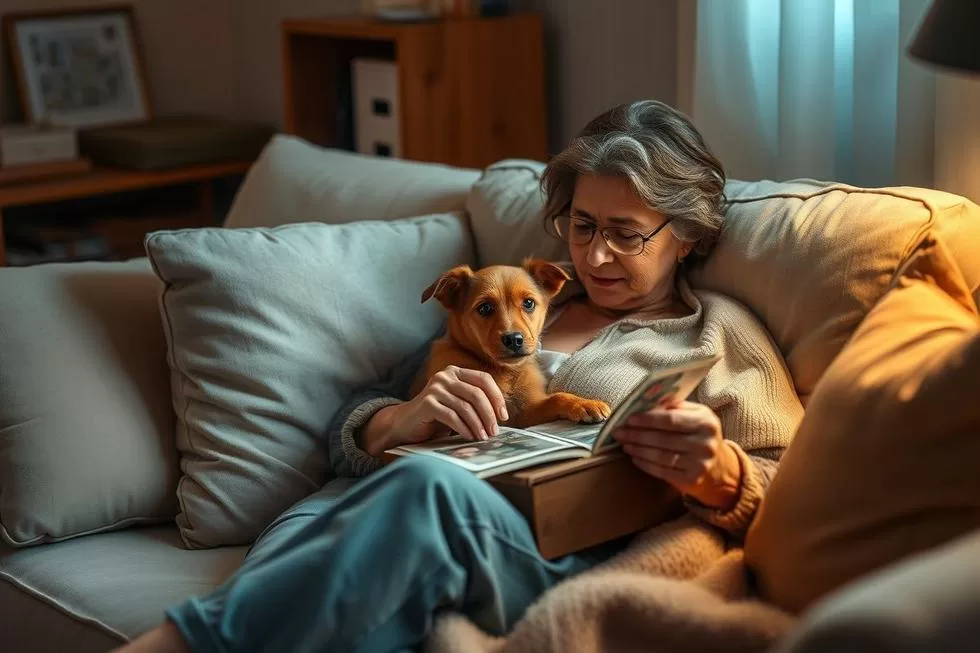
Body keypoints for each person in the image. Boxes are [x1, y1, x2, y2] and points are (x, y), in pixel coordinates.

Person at [117, 100, 803, 653]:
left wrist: (720, 470)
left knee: (427, 488)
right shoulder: (511, 305)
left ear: (685, 232)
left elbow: (800, 486)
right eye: (582, 224)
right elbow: (351, 427)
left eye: (625, 233)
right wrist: (398, 418)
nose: (595, 254)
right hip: (394, 525)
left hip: (547, 549)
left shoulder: (718, 331)